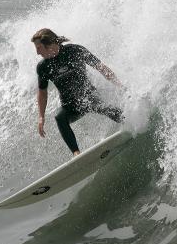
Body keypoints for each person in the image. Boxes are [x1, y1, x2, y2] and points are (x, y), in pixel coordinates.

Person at [32, 28, 124, 156]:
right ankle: (76, 153)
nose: (37, 52)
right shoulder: (43, 67)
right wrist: (41, 117)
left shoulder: (74, 51)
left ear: (49, 44)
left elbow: (100, 67)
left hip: (89, 97)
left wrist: (120, 85)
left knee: (101, 107)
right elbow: (42, 92)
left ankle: (129, 121)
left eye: (39, 47)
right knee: (60, 118)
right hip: (70, 106)